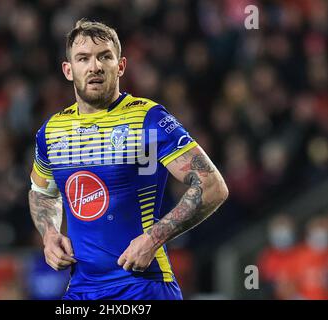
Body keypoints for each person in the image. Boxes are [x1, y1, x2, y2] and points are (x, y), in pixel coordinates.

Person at [28, 19, 228, 300]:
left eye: (104, 57)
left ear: (120, 66)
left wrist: (153, 239)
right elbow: (42, 193)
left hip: (144, 286)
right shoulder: (51, 131)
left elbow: (212, 186)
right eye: (83, 58)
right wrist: (48, 233)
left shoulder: (149, 118)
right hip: (82, 290)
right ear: (68, 70)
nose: (94, 66)